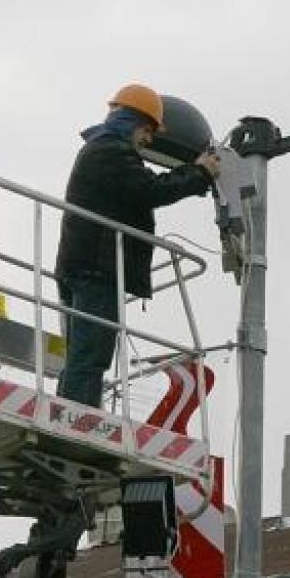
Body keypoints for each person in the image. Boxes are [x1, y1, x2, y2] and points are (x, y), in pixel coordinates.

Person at [55, 84, 220, 408]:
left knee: (83, 354)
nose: (148, 140)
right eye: (147, 131)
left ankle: (70, 411)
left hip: (84, 266)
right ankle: (78, 416)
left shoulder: (103, 149)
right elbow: (150, 190)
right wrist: (200, 172)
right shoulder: (110, 151)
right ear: (133, 122)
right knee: (91, 355)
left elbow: (142, 186)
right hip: (96, 270)